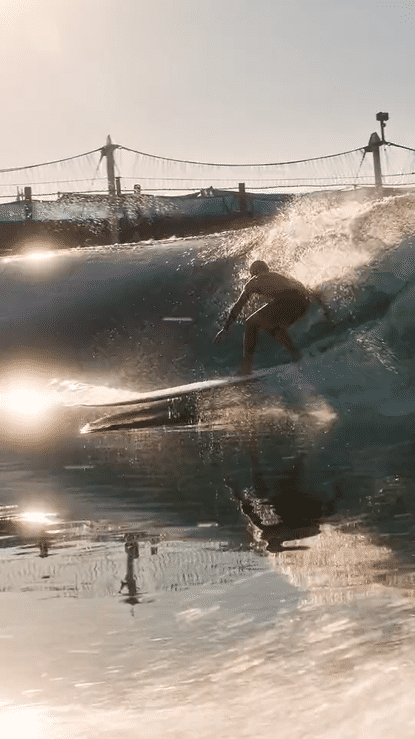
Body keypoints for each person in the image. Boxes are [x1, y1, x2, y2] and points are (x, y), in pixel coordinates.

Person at [213, 259, 329, 374]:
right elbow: (308, 291)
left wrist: (225, 328)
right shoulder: (283, 277)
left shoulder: (255, 281)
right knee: (270, 325)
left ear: (253, 273)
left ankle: (246, 366)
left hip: (288, 299)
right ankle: (296, 355)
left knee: (251, 322)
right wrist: (326, 312)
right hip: (302, 304)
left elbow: (238, 306)